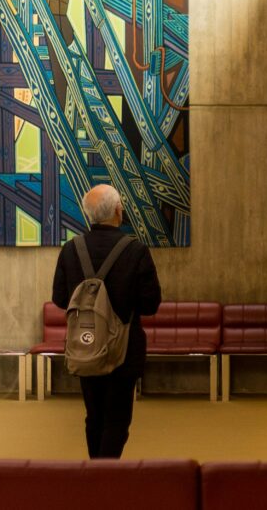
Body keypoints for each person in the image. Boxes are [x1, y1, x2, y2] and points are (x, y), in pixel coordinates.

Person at [52, 184, 161, 458]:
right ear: (117, 211)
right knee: (117, 420)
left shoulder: (70, 249)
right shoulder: (135, 250)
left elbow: (60, 298)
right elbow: (150, 304)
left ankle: (95, 475)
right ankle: (105, 478)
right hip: (123, 351)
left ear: (89, 215)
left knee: (94, 416)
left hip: (84, 346)